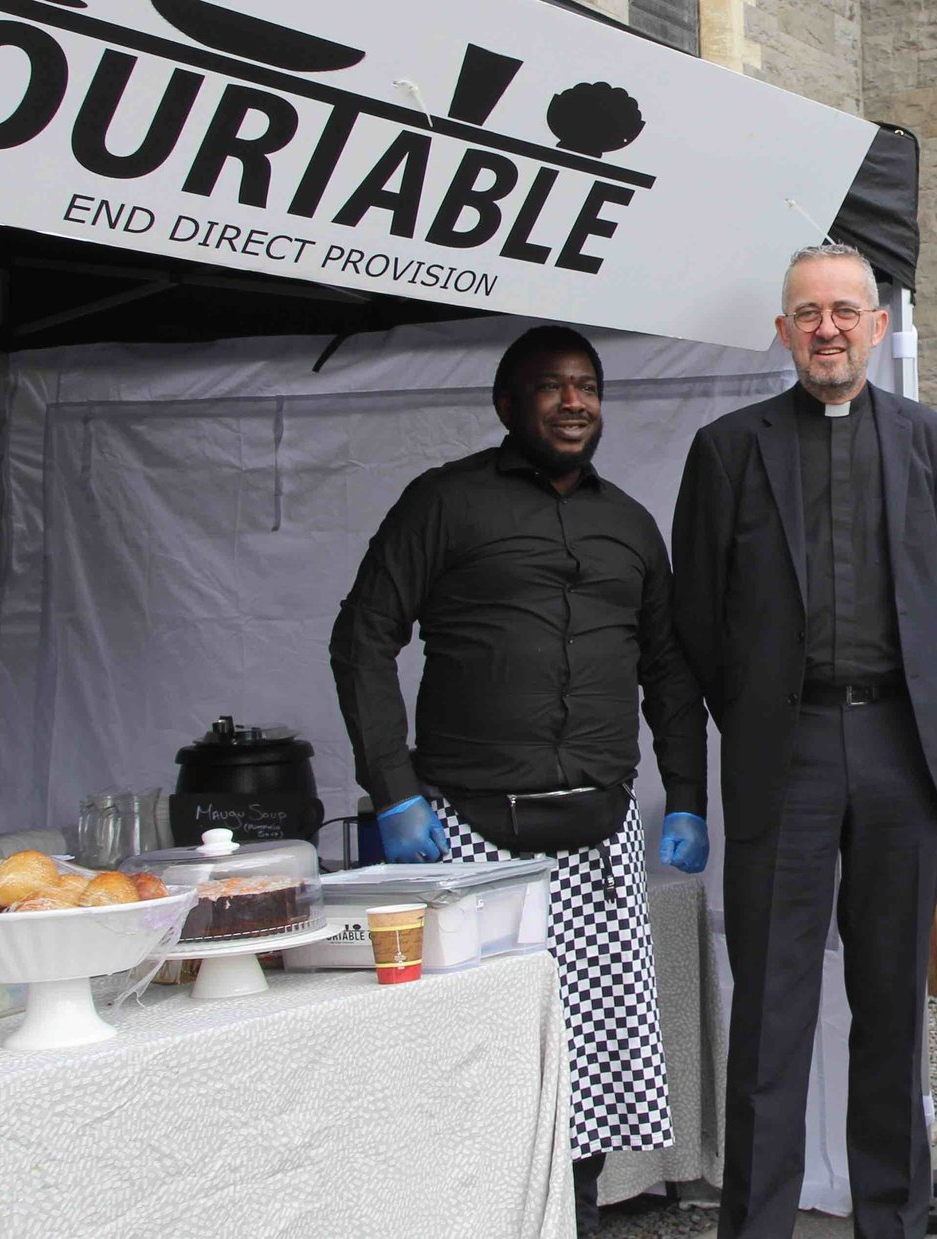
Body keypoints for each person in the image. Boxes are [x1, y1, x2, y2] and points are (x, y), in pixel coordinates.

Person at [328, 324, 710, 1236]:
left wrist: (688, 793)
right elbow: (363, 635)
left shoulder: (630, 523)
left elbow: (669, 667)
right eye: (552, 386)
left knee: (589, 1062)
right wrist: (395, 788)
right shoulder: (444, 503)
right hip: (466, 829)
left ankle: (569, 1219)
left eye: (588, 386)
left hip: (597, 834)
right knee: (467, 1053)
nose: (575, 402)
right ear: (508, 404)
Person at [670, 243, 937, 1239]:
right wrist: (757, 712)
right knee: (772, 1009)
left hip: (896, 746)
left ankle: (893, 1219)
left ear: (878, 327)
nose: (828, 328)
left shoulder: (931, 443)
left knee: (892, 1005)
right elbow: (698, 620)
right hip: (783, 752)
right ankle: (756, 1227)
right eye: (809, 312)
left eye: (847, 310)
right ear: (784, 330)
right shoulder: (728, 448)